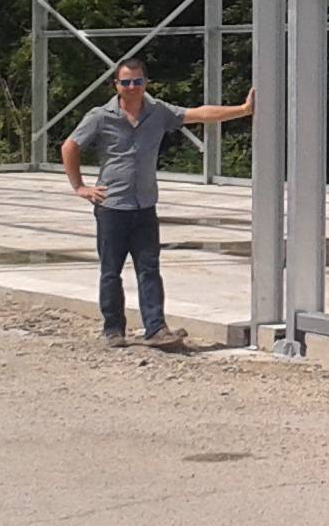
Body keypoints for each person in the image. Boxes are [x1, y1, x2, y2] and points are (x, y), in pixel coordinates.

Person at [61, 58, 255, 348]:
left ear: (146, 83)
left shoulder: (158, 112)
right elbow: (70, 146)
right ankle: (113, 330)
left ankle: (155, 328)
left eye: (137, 81)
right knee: (111, 271)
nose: (132, 87)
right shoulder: (100, 116)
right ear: (116, 85)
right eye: (126, 82)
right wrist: (80, 187)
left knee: (149, 269)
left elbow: (199, 114)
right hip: (112, 207)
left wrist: (242, 110)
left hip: (144, 207)